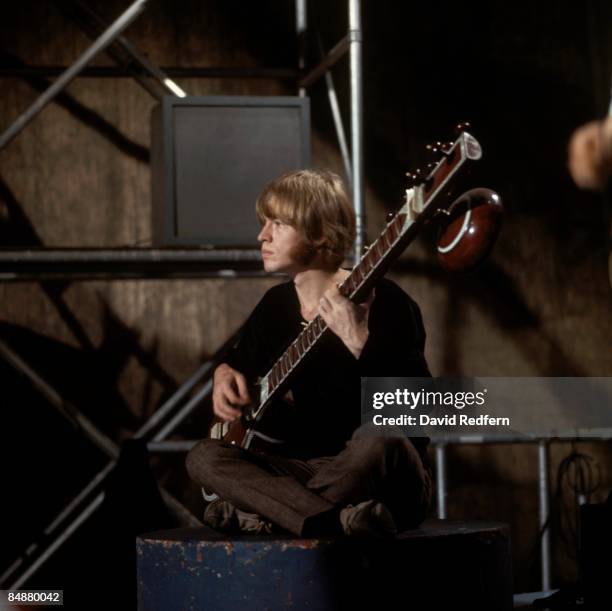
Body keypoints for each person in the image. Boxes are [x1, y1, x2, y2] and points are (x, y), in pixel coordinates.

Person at [186, 169, 432, 537]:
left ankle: (272, 515)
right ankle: (334, 521)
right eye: (264, 223)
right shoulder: (275, 307)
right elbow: (239, 364)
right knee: (203, 457)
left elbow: (423, 413)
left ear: (319, 234)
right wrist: (223, 373)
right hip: (307, 469)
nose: (262, 236)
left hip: (381, 473)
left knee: (378, 438)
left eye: (279, 224)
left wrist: (360, 342)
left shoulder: (385, 300)